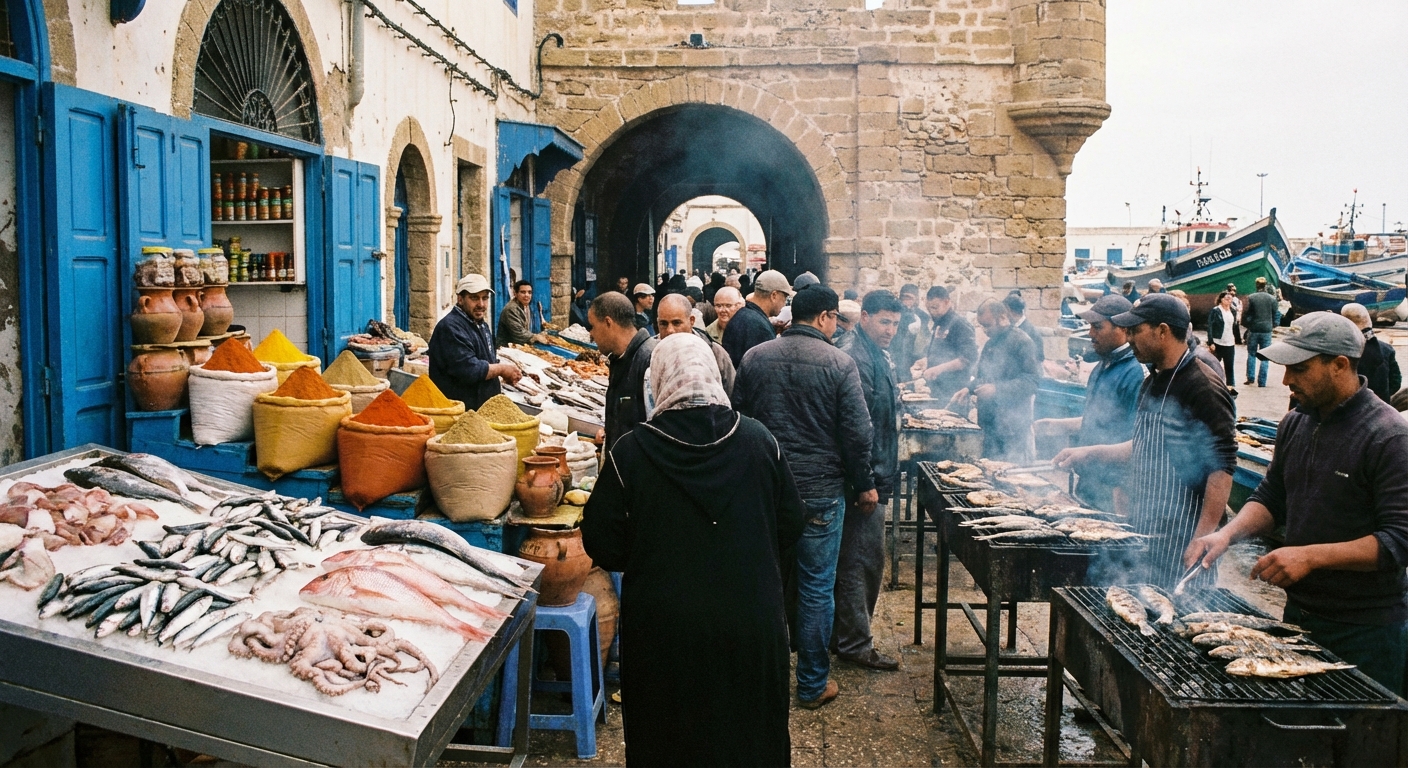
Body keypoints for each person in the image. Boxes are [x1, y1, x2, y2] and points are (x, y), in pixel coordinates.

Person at [582, 333, 804, 765]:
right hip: (749, 618)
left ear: (658, 380)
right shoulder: (759, 440)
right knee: (748, 734)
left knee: (669, 737)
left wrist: (651, 553)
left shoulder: (632, 452)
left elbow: (602, 541)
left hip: (665, 627)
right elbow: (792, 522)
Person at [1186, 312, 1408, 695]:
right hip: (1298, 615)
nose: (1286, 379)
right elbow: (1272, 496)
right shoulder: (1295, 422)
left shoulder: (1388, 437)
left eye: (1299, 368)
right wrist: (1226, 535)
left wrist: (1310, 557)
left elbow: (1399, 541)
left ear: (1340, 365)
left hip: (1366, 629)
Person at [733, 285, 875, 710]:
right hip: (821, 493)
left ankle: (761, 680)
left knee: (765, 584)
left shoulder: (755, 358)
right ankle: (812, 685)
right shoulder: (840, 363)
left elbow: (738, 422)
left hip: (769, 492)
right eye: (834, 320)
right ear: (826, 317)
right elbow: (857, 433)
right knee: (816, 588)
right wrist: (864, 482)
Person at [1054, 294, 1236, 589]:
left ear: (1162, 331)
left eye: (1136, 330)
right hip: (1147, 524)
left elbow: (1222, 468)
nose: (1129, 338)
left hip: (1183, 535)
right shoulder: (1152, 381)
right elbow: (1143, 445)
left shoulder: (1202, 386)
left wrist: (1203, 538)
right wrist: (1089, 452)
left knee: (1179, 610)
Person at [834, 289, 902, 671]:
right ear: (864, 317)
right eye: (884, 322)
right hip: (864, 478)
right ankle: (856, 643)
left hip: (874, 473)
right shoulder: (856, 356)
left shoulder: (874, 352)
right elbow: (857, 430)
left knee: (861, 560)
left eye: (895, 324)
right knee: (862, 561)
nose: (890, 330)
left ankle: (845, 635)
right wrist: (866, 483)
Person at [1033, 295, 1144, 512]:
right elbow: (1100, 420)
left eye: (1097, 327)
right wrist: (1057, 425)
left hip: (1114, 490)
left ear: (1123, 328)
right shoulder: (1101, 367)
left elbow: (1140, 443)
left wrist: (1121, 490)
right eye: (1090, 326)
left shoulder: (1136, 373)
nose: (1091, 333)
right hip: (1088, 480)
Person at [950, 299, 1039, 464]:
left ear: (1002, 318)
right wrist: (968, 389)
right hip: (989, 424)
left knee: (1010, 472)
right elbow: (983, 377)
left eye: (988, 325)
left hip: (1012, 427)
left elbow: (1031, 381)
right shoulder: (990, 343)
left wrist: (997, 389)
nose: (985, 331)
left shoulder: (1022, 342)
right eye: (982, 326)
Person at [428, 274, 523, 410]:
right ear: (460, 299)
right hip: (462, 411)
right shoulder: (450, 328)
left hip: (483, 409)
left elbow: (487, 359)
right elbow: (469, 370)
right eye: (474, 298)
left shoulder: (481, 324)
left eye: (485, 298)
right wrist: (501, 369)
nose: (481, 304)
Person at [590, 292, 657, 450]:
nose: (591, 335)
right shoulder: (619, 359)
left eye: (592, 326)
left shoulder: (649, 361)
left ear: (608, 322)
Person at [655, 293, 735, 396]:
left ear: (691, 320)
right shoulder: (650, 354)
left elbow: (731, 394)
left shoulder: (715, 353)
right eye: (663, 324)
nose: (670, 330)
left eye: (676, 323)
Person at [915, 285, 978, 402]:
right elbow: (940, 352)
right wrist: (926, 360)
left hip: (955, 391)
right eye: (929, 309)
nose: (932, 312)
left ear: (947, 302)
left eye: (935, 307)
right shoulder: (939, 323)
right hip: (936, 389)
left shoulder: (960, 324)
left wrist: (938, 369)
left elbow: (968, 359)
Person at [722, 270, 792, 368]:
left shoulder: (743, 314)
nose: (784, 303)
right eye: (785, 297)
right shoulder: (759, 327)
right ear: (774, 295)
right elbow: (762, 371)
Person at [1341, 303, 1401, 402]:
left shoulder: (1338, 350)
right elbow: (1396, 382)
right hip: (1379, 405)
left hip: (1348, 406)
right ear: (1368, 320)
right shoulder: (1386, 349)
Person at [1242, 277, 1278, 386]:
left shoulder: (1251, 297)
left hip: (1254, 329)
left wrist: (1247, 324)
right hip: (1267, 330)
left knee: (1251, 354)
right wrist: (1273, 325)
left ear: (1256, 285)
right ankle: (1262, 382)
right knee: (1265, 356)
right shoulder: (1272, 299)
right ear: (1265, 285)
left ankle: (1250, 378)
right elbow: (1276, 314)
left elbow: (1246, 314)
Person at [892, 284, 929, 377]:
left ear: (916, 299)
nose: (906, 301)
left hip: (914, 356)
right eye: (904, 297)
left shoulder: (923, 317)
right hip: (895, 352)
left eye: (909, 298)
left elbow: (924, 340)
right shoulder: (894, 312)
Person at [1207, 291, 1238, 386]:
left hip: (1230, 342)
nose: (1229, 301)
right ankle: (1212, 385)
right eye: (1226, 299)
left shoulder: (1233, 311)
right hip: (1218, 342)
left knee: (1229, 367)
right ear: (1221, 299)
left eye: (1230, 299)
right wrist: (1211, 342)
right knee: (1213, 365)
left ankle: (1231, 388)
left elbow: (1234, 326)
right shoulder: (1216, 310)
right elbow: (1210, 326)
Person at [1004, 291, 1045, 363]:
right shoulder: (1009, 329)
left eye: (1004, 311)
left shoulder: (1032, 333)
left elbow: (1038, 360)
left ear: (1009, 310)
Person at [496, 280, 536, 347]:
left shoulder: (523, 306)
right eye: (523, 292)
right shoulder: (511, 309)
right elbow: (519, 334)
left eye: (529, 292)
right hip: (506, 349)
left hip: (516, 347)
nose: (527, 295)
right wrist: (535, 337)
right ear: (515, 294)